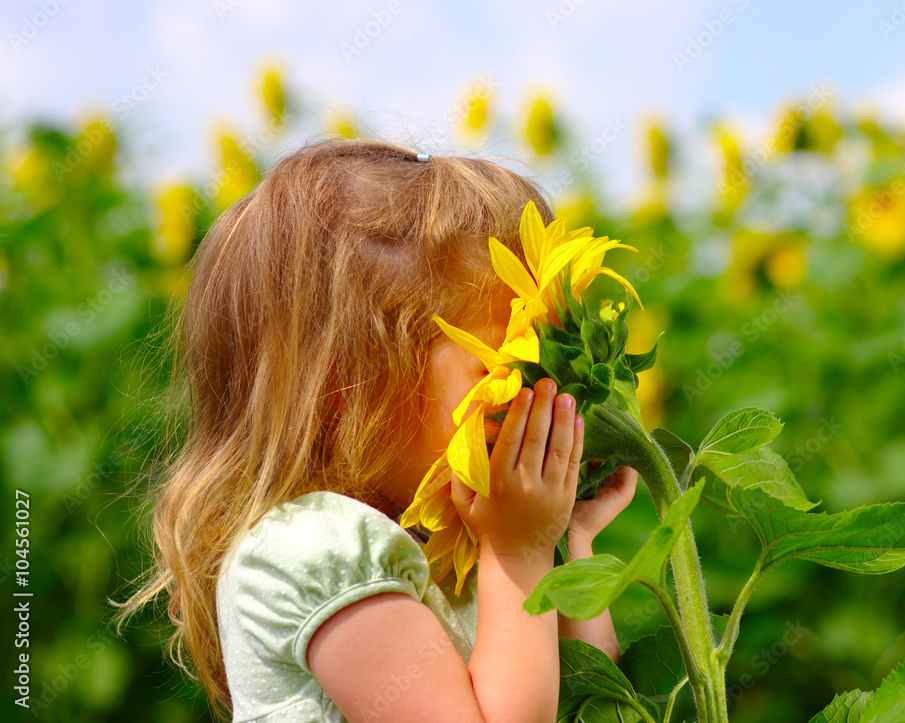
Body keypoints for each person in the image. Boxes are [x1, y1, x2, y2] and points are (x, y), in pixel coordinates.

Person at [108, 138, 638, 722]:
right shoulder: (313, 550)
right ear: (350, 389)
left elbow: (595, 698)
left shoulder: (449, 551)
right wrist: (520, 552)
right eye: (504, 366)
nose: (537, 394)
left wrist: (566, 543)